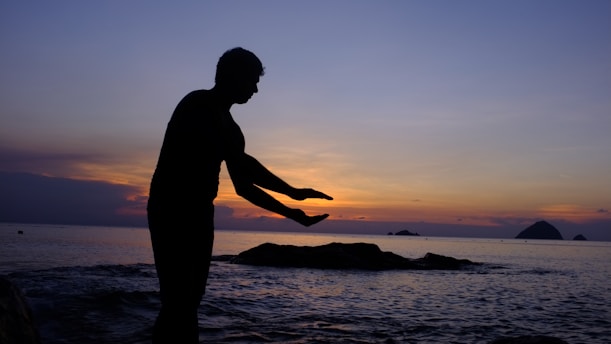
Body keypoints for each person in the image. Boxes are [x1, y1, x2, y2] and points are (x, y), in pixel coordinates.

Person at [146, 47, 333, 344]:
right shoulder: (197, 104)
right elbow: (243, 168)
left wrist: (293, 207)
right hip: (171, 209)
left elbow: (243, 183)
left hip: (200, 213)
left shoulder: (232, 128)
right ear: (233, 76)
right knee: (178, 299)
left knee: (190, 299)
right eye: (252, 81)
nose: (256, 89)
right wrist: (292, 196)